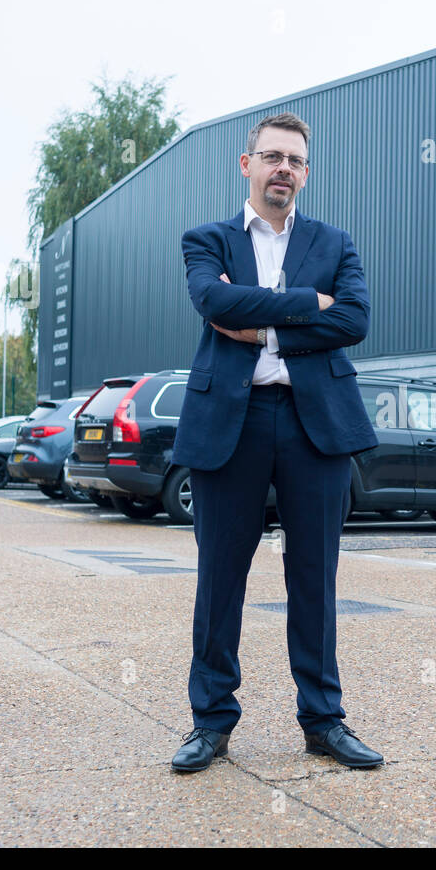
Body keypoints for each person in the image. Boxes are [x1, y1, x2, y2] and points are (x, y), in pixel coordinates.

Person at [169, 112, 383, 772]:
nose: (283, 168)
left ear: (306, 173)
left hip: (312, 422)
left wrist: (260, 323)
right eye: (272, 156)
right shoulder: (205, 239)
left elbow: (354, 319)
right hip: (228, 422)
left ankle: (323, 720)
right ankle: (211, 721)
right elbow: (213, 301)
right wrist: (304, 306)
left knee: (314, 578)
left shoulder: (335, 242)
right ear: (247, 164)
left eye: (294, 159)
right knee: (219, 578)